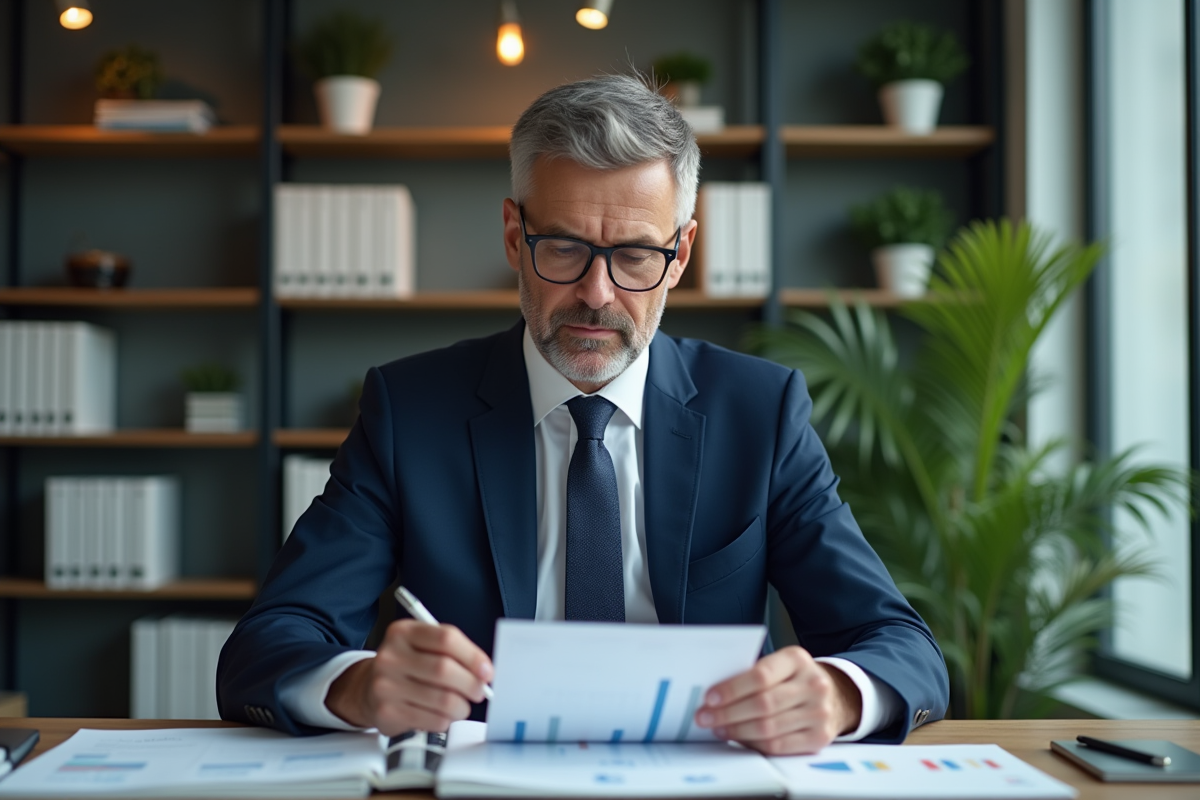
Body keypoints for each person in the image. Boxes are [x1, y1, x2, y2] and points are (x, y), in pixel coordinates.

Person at [217, 74, 948, 755]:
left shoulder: (760, 412)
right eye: (563, 248)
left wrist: (839, 697)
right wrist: (358, 684)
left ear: (682, 252)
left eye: (634, 255)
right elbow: (268, 643)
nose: (597, 293)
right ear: (513, 235)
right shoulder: (410, 411)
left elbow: (898, 644)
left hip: (706, 781)